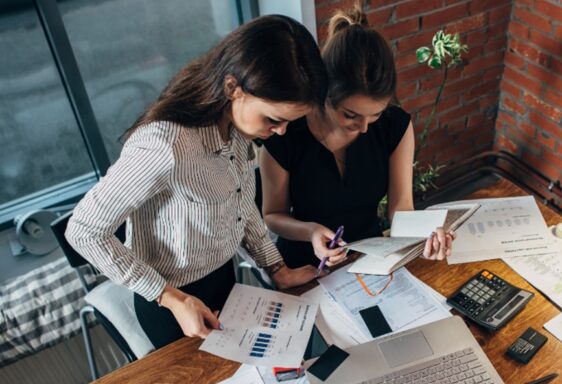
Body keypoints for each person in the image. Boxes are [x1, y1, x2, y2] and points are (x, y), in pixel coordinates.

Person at [65, 15, 328, 349]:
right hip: (172, 306)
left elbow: (240, 204)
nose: (281, 132)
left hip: (226, 282)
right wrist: (172, 299)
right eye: (274, 120)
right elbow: (84, 230)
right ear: (234, 88)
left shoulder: (238, 129)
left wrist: (277, 268)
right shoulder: (166, 146)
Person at [260, 6, 453, 271]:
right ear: (323, 92)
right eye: (350, 115)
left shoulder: (394, 126)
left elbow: (401, 210)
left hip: (369, 259)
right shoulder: (285, 133)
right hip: (301, 268)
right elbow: (273, 216)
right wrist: (312, 231)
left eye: (375, 114)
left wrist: (428, 235)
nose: (364, 128)